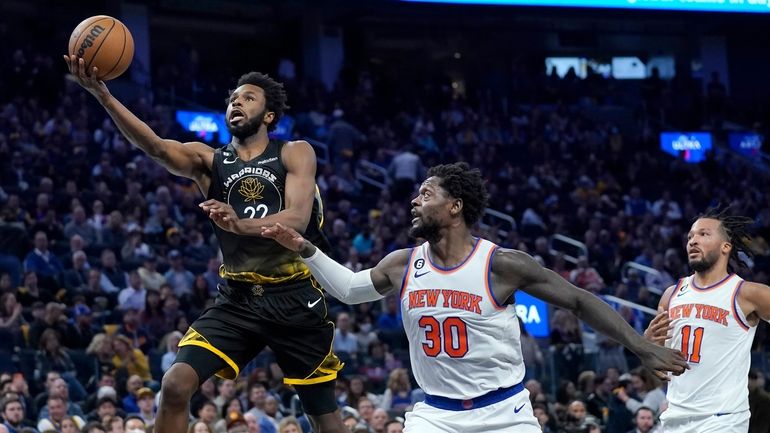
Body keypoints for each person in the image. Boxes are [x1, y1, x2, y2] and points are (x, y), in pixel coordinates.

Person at [260, 162, 687, 433]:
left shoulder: (501, 264)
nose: (414, 200)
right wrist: (304, 248)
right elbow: (351, 290)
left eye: (426, 194)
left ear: (455, 207)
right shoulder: (402, 263)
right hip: (435, 415)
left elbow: (578, 300)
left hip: (505, 413)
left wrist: (640, 347)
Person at [64, 57, 345, 433]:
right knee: (175, 384)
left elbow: (297, 219)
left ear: (269, 116)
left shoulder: (295, 152)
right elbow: (158, 148)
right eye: (233, 99)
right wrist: (104, 97)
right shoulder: (210, 161)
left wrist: (240, 223)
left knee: (324, 417)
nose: (236, 103)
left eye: (248, 98)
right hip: (238, 298)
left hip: (296, 298)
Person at [644, 209, 770, 433]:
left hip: (723, 419)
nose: (693, 241)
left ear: (725, 247)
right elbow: (658, 369)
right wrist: (648, 347)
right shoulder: (670, 295)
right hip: (674, 417)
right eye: (690, 236)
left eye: (704, 234)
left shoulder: (747, 293)